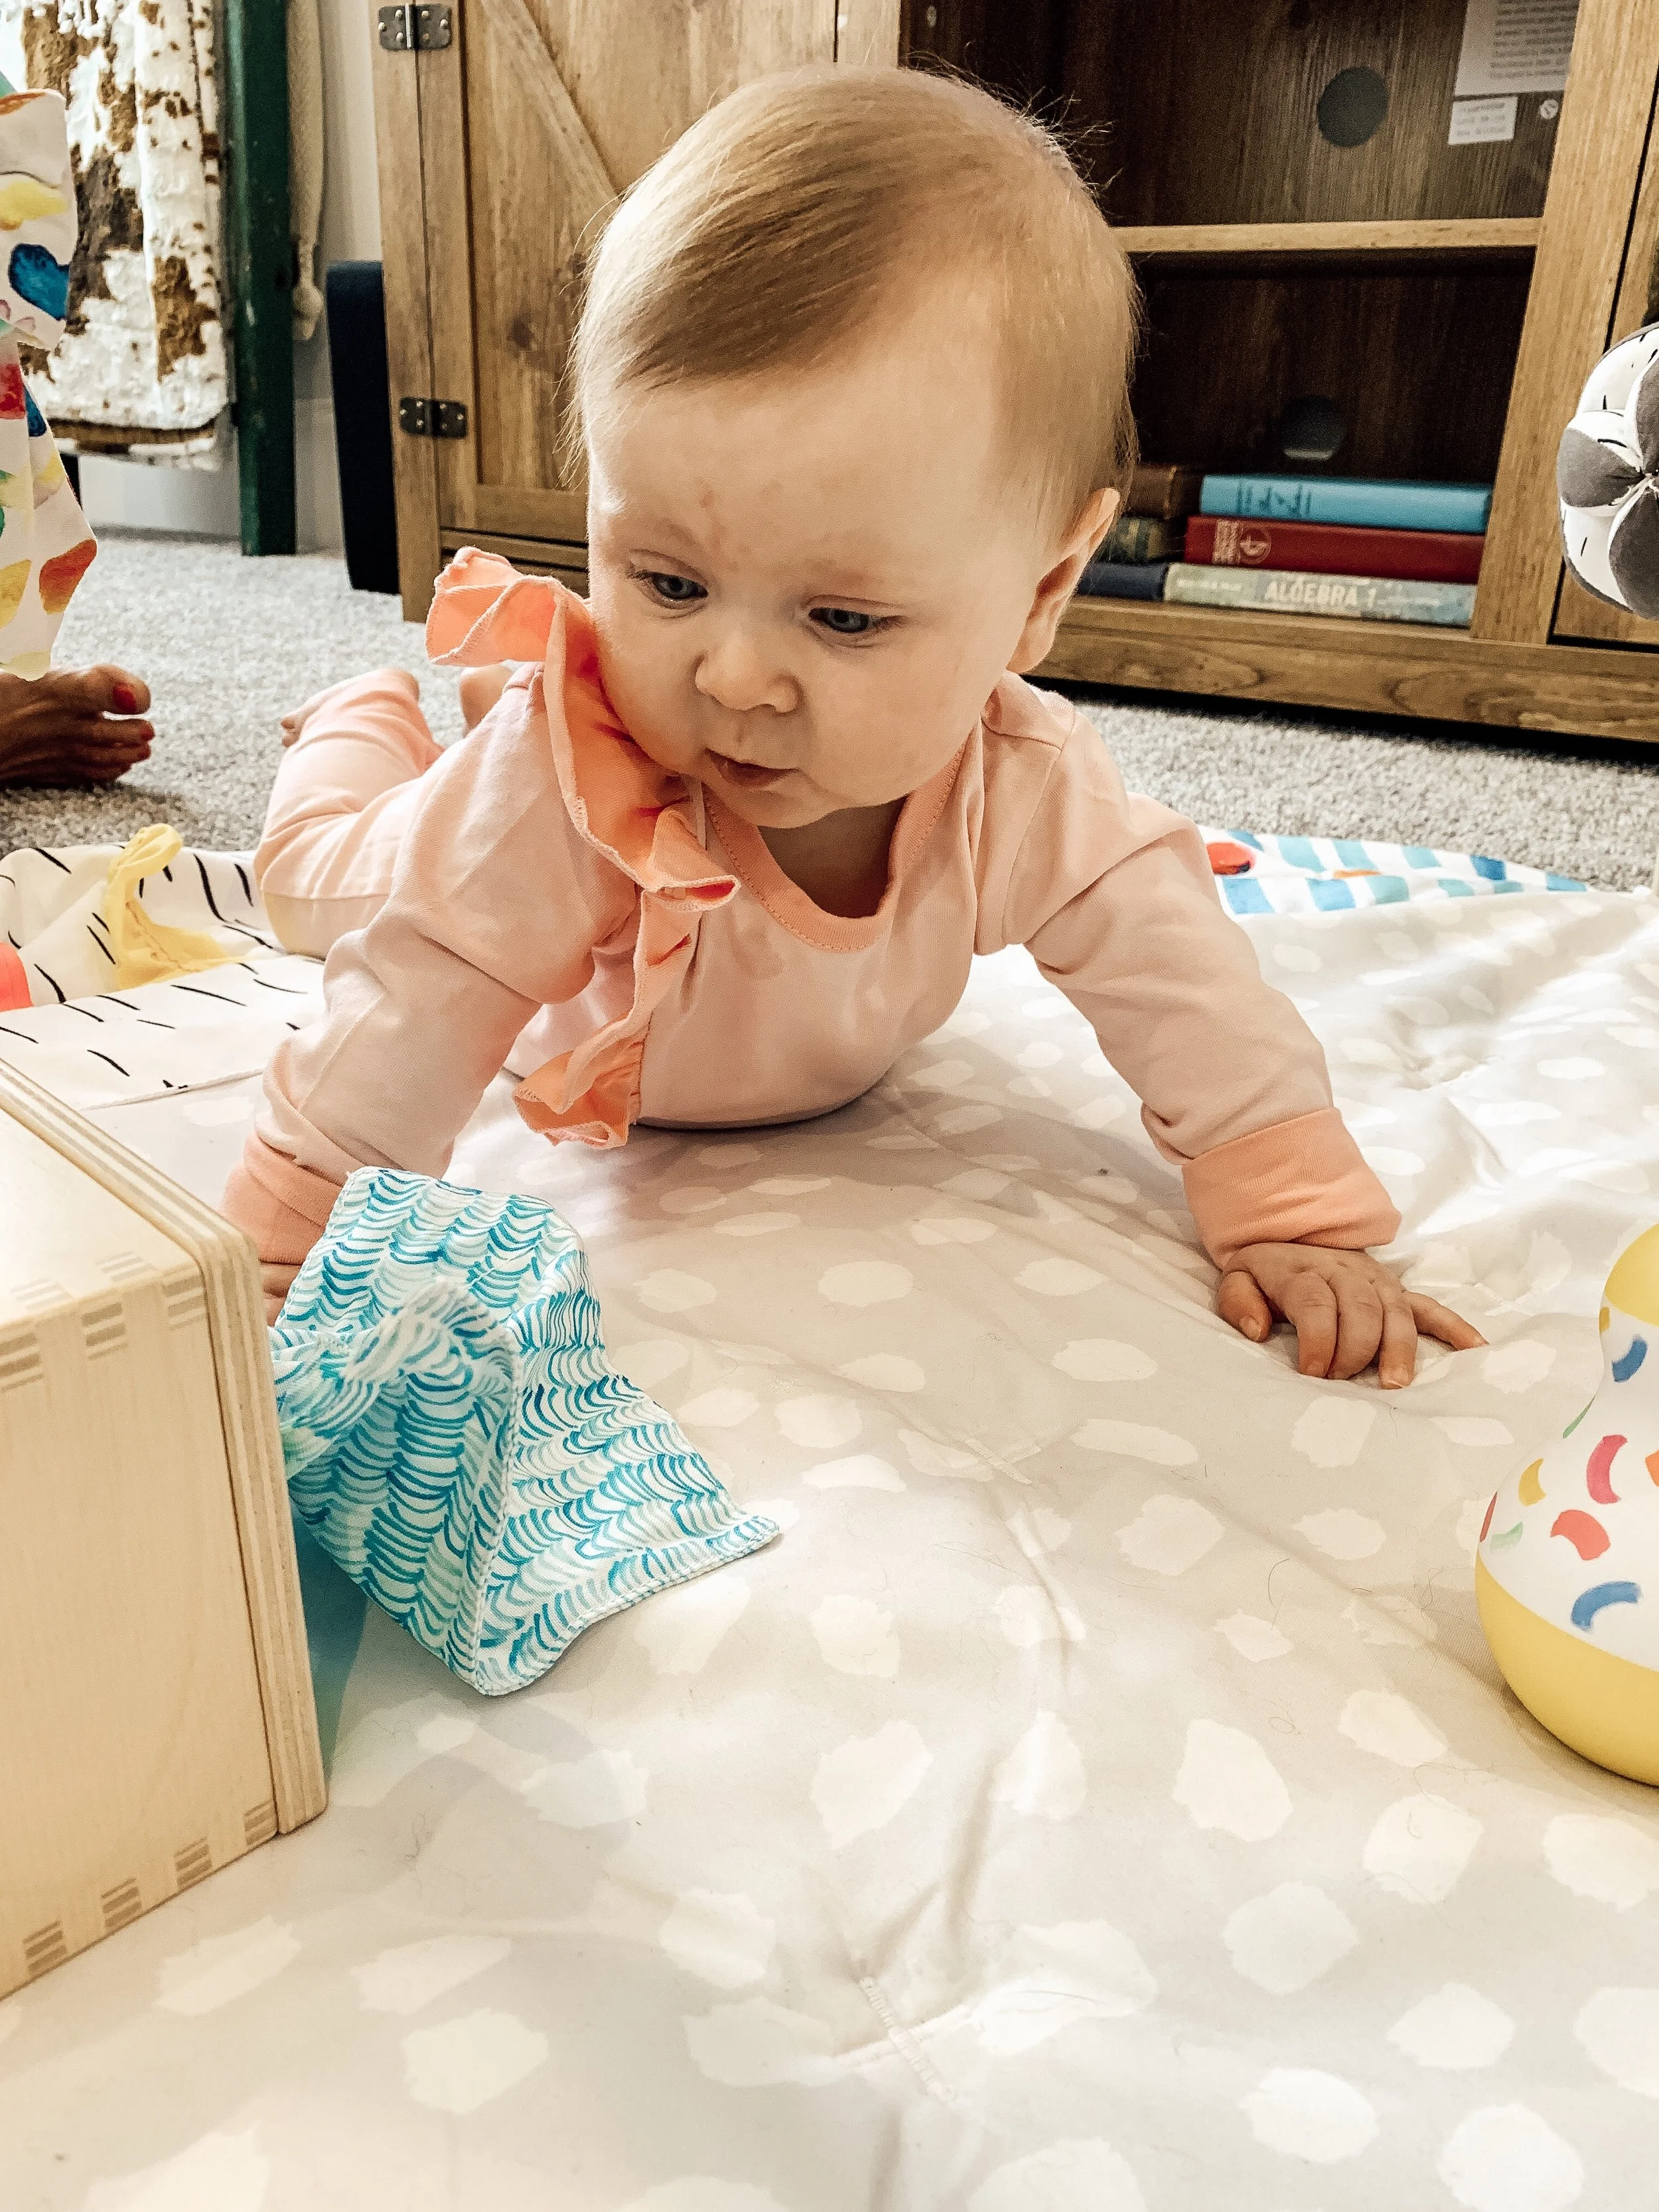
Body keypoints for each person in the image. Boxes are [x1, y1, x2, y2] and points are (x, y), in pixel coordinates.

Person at [222, 65, 1482, 1385]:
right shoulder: (558, 792)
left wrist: (1292, 1215)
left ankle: (449, 704)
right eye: (667, 584)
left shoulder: (1023, 789)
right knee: (304, 880)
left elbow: (1182, 986)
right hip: (454, 843)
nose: (734, 681)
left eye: (841, 619)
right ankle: (356, 724)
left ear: (1041, 592)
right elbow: (406, 1009)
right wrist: (281, 1257)